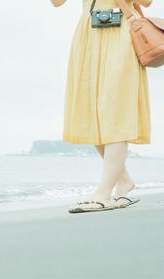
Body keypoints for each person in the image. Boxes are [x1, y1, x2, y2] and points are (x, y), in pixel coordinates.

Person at [50, 0, 153, 213]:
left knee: (116, 109)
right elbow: (57, 3)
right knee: (91, 111)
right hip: (89, 33)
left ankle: (104, 192)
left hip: (120, 34)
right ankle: (123, 180)